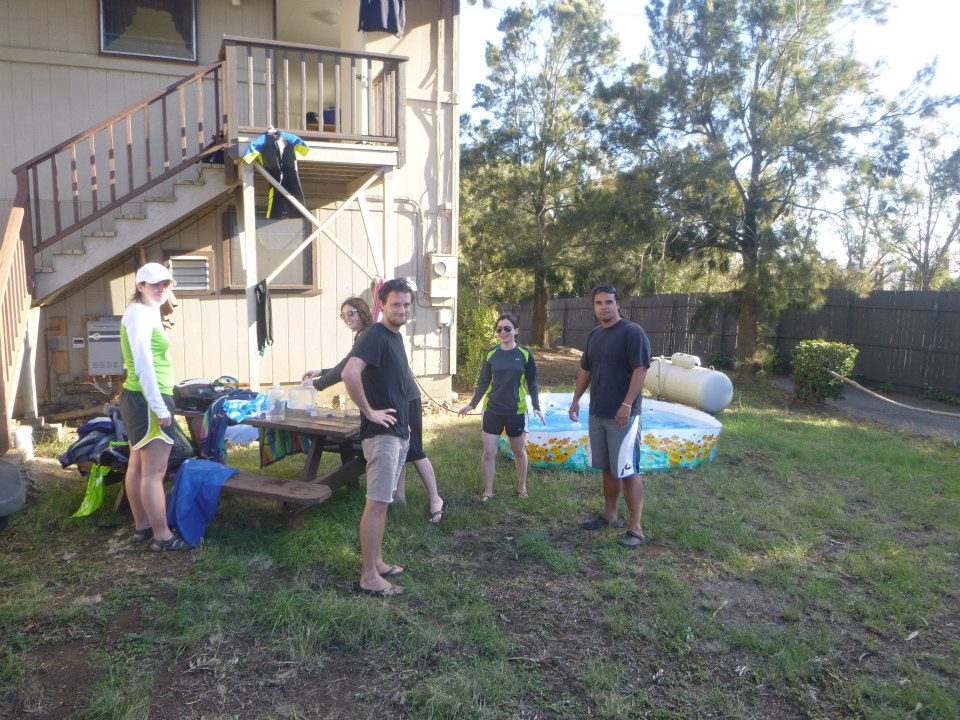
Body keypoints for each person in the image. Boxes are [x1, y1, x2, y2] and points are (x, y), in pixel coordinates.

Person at [302, 297, 445, 523]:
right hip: (392, 397)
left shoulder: (372, 333)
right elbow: (350, 363)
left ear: (363, 311)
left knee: (414, 450)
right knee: (398, 447)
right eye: (343, 315)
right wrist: (321, 371)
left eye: (351, 313)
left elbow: (347, 369)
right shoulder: (367, 334)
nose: (347, 319)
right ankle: (398, 499)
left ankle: (436, 499)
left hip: (406, 397)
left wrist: (318, 384)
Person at [341, 279, 416, 596]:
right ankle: (368, 576)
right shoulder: (375, 334)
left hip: (397, 432)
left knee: (383, 504)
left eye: (407, 304)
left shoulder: (393, 337)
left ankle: (377, 562)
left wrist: (405, 426)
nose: (402, 309)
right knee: (376, 505)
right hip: (382, 436)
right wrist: (370, 412)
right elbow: (349, 373)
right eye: (396, 304)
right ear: (382, 305)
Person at [568, 285, 652, 549]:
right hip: (598, 412)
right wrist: (576, 400)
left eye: (608, 302)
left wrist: (626, 405)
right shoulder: (595, 335)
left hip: (623, 416)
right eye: (598, 302)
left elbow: (640, 370)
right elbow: (586, 369)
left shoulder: (632, 332)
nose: (603, 307)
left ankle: (636, 529)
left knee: (627, 470)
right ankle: (609, 515)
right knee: (607, 467)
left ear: (618, 304)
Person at [119, 263, 190, 551]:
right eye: (154, 284)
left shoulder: (143, 311)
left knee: (137, 465)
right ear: (140, 286)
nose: (161, 289)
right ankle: (162, 536)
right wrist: (160, 408)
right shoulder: (140, 314)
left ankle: (143, 527)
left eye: (165, 284)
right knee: (153, 473)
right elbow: (143, 363)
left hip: (139, 398)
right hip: (149, 399)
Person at [458, 313, 545, 501]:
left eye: (507, 328)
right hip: (492, 410)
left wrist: (536, 406)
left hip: (516, 410)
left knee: (518, 452)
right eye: (499, 329)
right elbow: (483, 382)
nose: (502, 332)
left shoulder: (525, 354)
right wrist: (472, 404)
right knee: (489, 452)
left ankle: (521, 486)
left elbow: (532, 382)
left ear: (516, 331)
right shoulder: (491, 354)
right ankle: (488, 491)